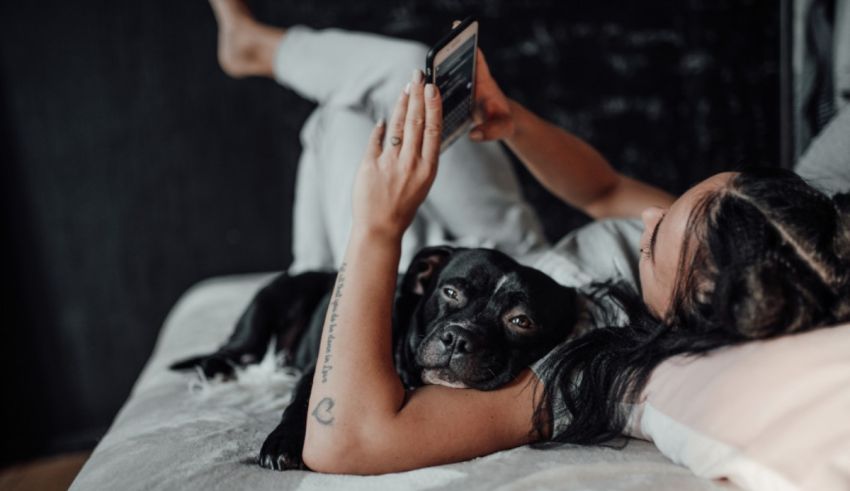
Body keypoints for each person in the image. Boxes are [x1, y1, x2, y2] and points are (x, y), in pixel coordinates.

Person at [208, 0, 850, 475]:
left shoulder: (582, 370)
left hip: (434, 270)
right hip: (502, 250)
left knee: (343, 122)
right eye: (672, 207)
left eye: (655, 241)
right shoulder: (710, 244)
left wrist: (378, 229)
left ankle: (252, 46)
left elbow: (347, 442)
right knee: (400, 86)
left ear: (681, 313)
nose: (649, 218)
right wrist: (513, 121)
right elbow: (604, 191)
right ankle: (260, 53)